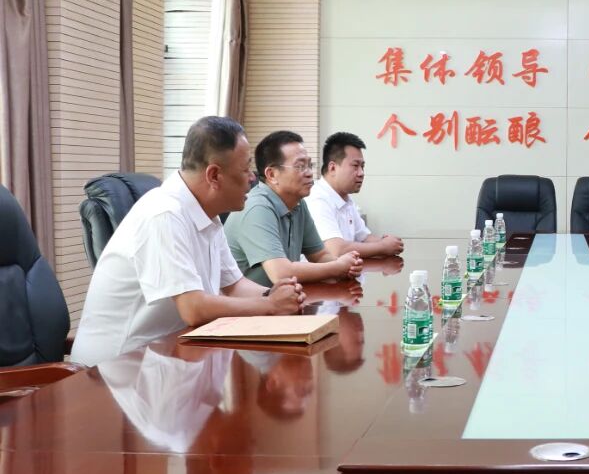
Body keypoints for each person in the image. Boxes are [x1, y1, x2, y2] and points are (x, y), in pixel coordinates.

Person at [71, 117, 305, 367]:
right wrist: (269, 305)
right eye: (245, 169)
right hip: (117, 371)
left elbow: (235, 285)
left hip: (169, 357)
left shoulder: (208, 214)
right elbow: (193, 308)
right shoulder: (164, 215)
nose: (252, 178)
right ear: (214, 175)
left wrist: (280, 295)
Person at [224, 130, 363, 287]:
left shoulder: (298, 203)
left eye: (310, 165)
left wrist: (347, 266)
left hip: (282, 297)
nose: (309, 173)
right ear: (272, 174)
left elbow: (320, 256)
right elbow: (281, 274)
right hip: (248, 301)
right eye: (300, 166)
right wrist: (337, 267)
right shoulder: (257, 208)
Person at [306, 131, 404, 259]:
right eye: (355, 166)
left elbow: (364, 238)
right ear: (332, 168)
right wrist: (383, 246)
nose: (361, 173)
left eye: (362, 166)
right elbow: (336, 250)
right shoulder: (317, 199)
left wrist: (388, 243)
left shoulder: (346, 199)